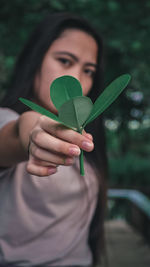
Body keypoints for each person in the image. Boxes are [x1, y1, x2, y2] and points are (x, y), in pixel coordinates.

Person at [0, 12, 108, 267]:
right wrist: (30, 133)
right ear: (35, 60)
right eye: (64, 61)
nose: (77, 79)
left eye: (88, 70)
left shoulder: (87, 139)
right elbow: (17, 133)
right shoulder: (7, 118)